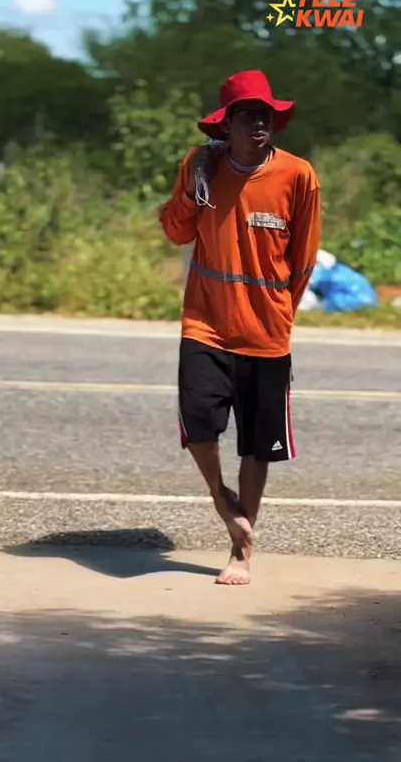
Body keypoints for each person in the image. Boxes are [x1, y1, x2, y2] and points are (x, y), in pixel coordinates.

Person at [159, 70, 321, 586]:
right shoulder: (200, 165)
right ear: (225, 124)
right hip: (205, 324)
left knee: (256, 445)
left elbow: (304, 258)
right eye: (248, 114)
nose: (259, 123)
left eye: (265, 114)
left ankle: (240, 550)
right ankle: (220, 499)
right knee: (199, 424)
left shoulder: (298, 175)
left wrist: (279, 311)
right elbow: (175, 231)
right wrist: (192, 190)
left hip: (266, 332)